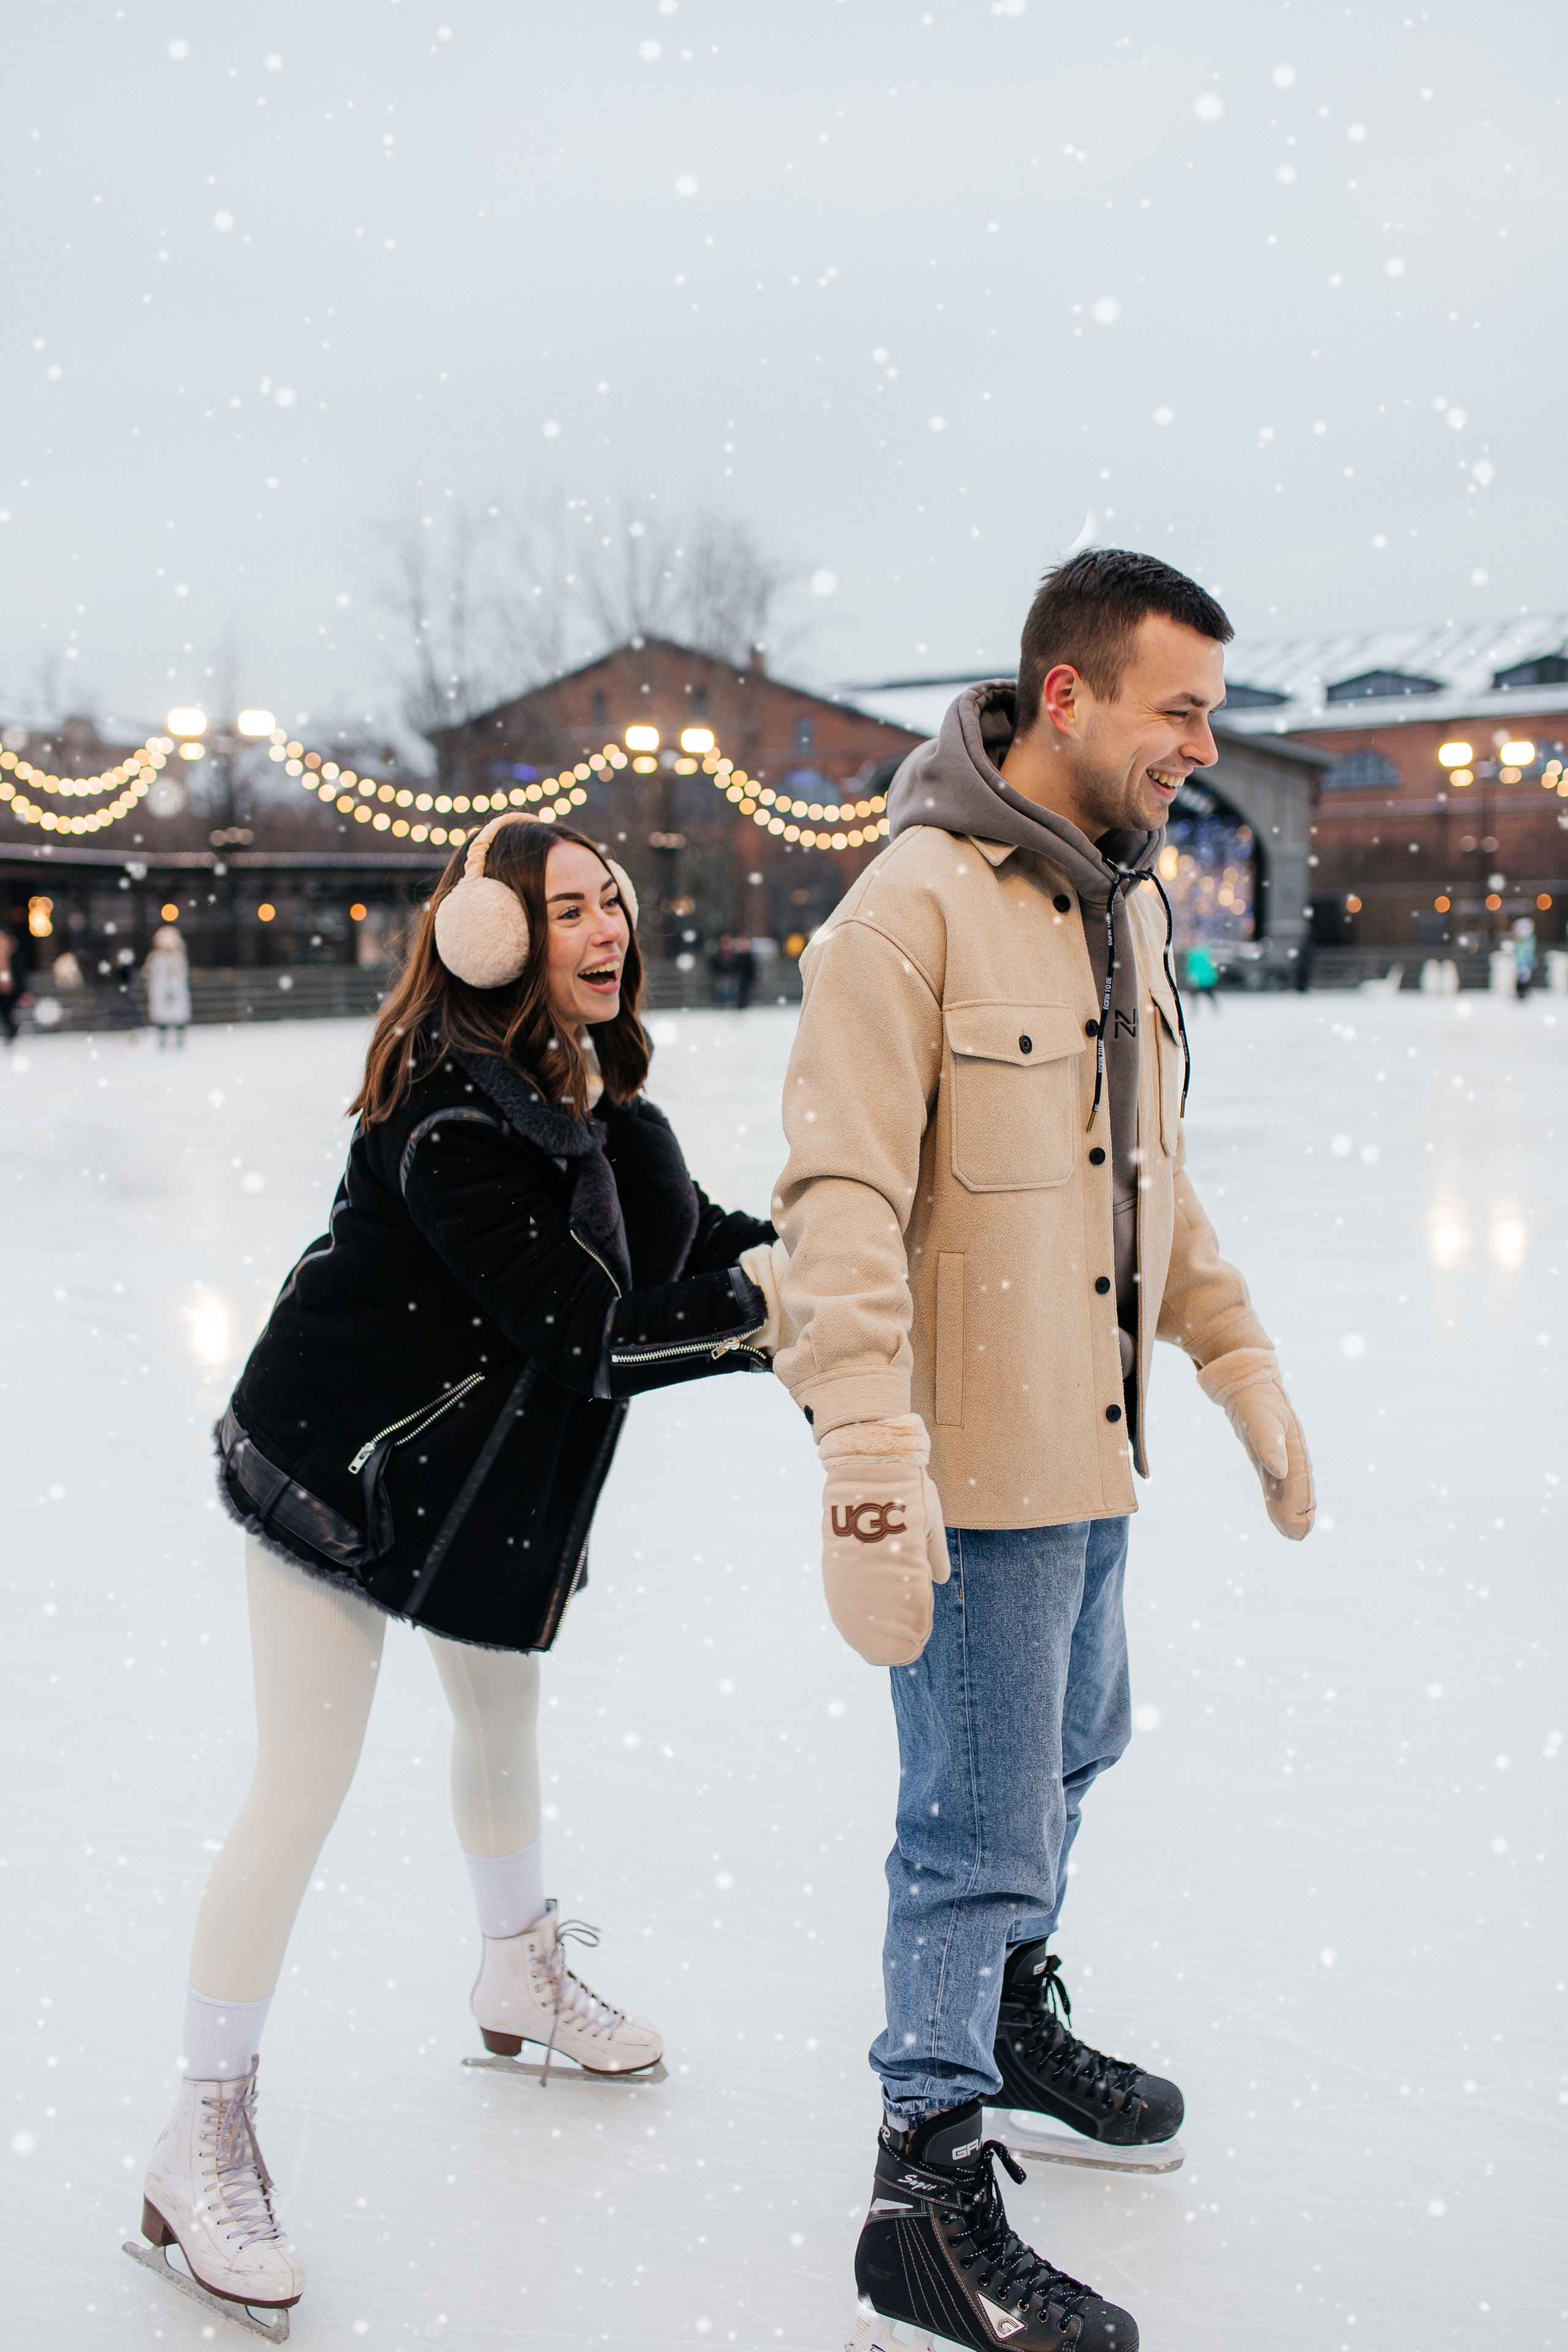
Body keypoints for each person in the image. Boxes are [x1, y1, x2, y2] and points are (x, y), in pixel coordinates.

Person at [130, 816, 787, 2333]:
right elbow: (593, 1328)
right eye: (566, 910)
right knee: (302, 1782)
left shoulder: (610, 1109)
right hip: (344, 1474)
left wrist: (823, 1239)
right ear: (491, 934)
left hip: (467, 1489)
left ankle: (517, 1977)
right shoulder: (450, 1119)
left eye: (613, 902)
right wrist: (771, 1312)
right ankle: (199, 2126)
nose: (604, 930)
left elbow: (690, 1252)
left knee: (501, 1723)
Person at [772, 550, 1315, 2352]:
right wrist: (864, 1436)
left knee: (1070, 1749)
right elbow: (835, 1202)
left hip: (1091, 1449)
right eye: (1177, 707)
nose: (1199, 744)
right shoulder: (901, 916)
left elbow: (1146, 1180)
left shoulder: (1126, 910)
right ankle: (917, 2184)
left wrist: (1230, 1353)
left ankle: (1006, 2014)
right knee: (971, 1819)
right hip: (965, 1473)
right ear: (1065, 696)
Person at [143, 924, 192, 1047]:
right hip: (160, 991)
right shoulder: (155, 958)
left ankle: (179, 1039)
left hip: (175, 991)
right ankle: (163, 1040)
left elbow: (181, 974)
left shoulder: (177, 958)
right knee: (162, 1015)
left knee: (178, 1014)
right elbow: (148, 973)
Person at [1183, 934, 1221, 1011]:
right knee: (1208, 996)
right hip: (1204, 979)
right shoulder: (1206, 951)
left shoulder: (1193, 952)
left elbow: (1191, 966)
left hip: (1200, 979)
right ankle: (1214, 1009)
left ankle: (1195, 1011)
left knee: (1198, 997)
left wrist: (1190, 977)